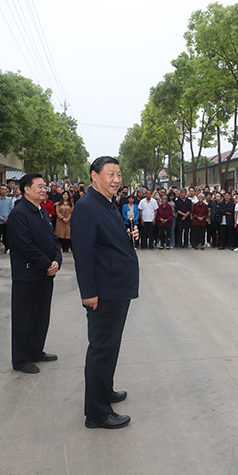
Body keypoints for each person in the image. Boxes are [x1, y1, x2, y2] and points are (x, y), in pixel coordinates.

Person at [71, 157, 138, 429]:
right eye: (110, 174)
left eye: (119, 174)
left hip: (117, 287)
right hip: (104, 291)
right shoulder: (87, 207)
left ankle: (104, 390)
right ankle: (97, 412)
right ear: (94, 176)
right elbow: (84, 254)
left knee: (111, 346)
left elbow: (106, 241)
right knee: (101, 348)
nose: (116, 179)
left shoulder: (108, 203)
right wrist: (88, 292)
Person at [7, 173, 62, 374]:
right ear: (26, 190)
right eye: (39, 186)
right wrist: (47, 263)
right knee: (24, 318)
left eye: (44, 186)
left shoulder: (42, 213)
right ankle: (21, 359)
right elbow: (25, 246)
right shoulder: (19, 213)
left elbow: (54, 240)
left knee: (41, 316)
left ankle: (36, 351)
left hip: (45, 274)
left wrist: (57, 260)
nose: (43, 189)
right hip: (27, 275)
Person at [0, 185, 15, 256]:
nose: (3, 191)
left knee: (7, 236)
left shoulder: (9, 200)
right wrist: (1, 218)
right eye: (2, 189)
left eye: (5, 189)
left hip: (7, 221)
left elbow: (11, 209)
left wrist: (8, 218)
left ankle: (7, 248)